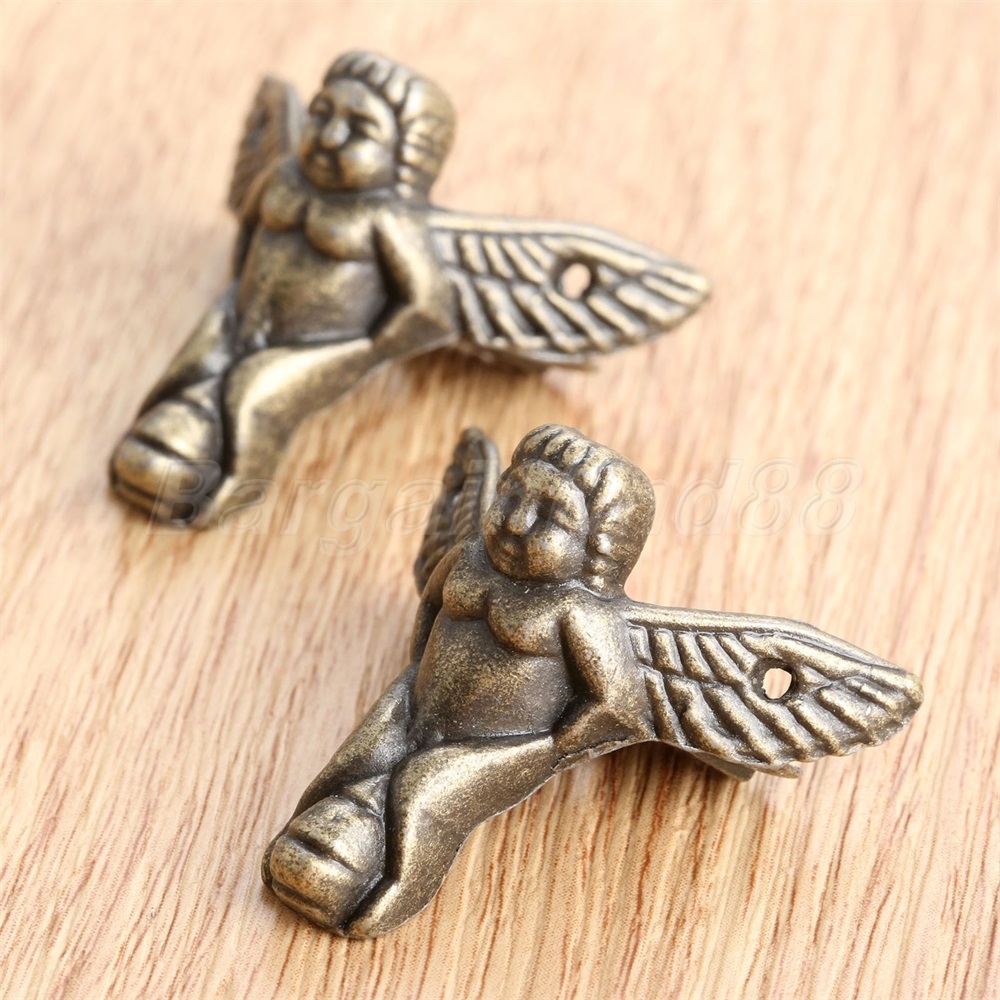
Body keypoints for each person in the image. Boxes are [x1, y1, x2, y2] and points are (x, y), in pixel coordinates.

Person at [264, 426, 658, 936]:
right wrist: (414, 675)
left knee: (421, 792)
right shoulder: (470, 557)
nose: (516, 522)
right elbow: (430, 606)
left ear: (596, 550)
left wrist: (553, 747)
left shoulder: (580, 613)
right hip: (416, 703)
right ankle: (298, 840)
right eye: (510, 496)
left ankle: (383, 897)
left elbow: (618, 702)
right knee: (359, 757)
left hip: (500, 745)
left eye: (550, 518)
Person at [110, 53, 458, 523]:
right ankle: (164, 436)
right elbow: (249, 231)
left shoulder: (390, 220)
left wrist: (365, 351)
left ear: (404, 158)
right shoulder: (283, 177)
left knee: (253, 396)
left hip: (317, 348)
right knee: (193, 366)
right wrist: (238, 294)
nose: (329, 137)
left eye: (359, 131)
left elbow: (430, 309)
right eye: (321, 114)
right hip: (240, 315)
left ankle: (222, 491)